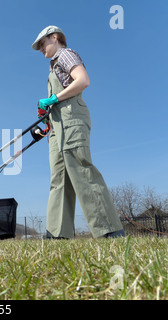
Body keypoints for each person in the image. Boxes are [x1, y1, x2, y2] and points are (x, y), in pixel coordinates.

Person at [32, 25, 125, 239]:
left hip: (72, 119)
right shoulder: (52, 67)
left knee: (80, 168)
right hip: (57, 125)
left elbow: (83, 80)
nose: (41, 49)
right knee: (59, 178)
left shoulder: (66, 54)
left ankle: (109, 231)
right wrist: (47, 117)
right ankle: (57, 234)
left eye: (42, 43)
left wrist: (54, 99)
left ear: (54, 38)